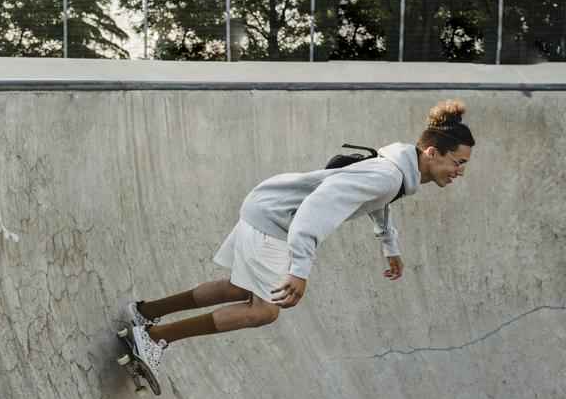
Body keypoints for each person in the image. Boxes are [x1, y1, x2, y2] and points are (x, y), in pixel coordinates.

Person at [124, 99, 476, 376]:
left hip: (267, 205)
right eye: (457, 163)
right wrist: (300, 269)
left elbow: (376, 202)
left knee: (239, 289)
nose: (460, 172)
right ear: (432, 153)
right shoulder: (388, 176)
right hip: (278, 219)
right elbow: (317, 206)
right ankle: (153, 339)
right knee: (263, 310)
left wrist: (389, 246)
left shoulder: (395, 172)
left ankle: (144, 313)